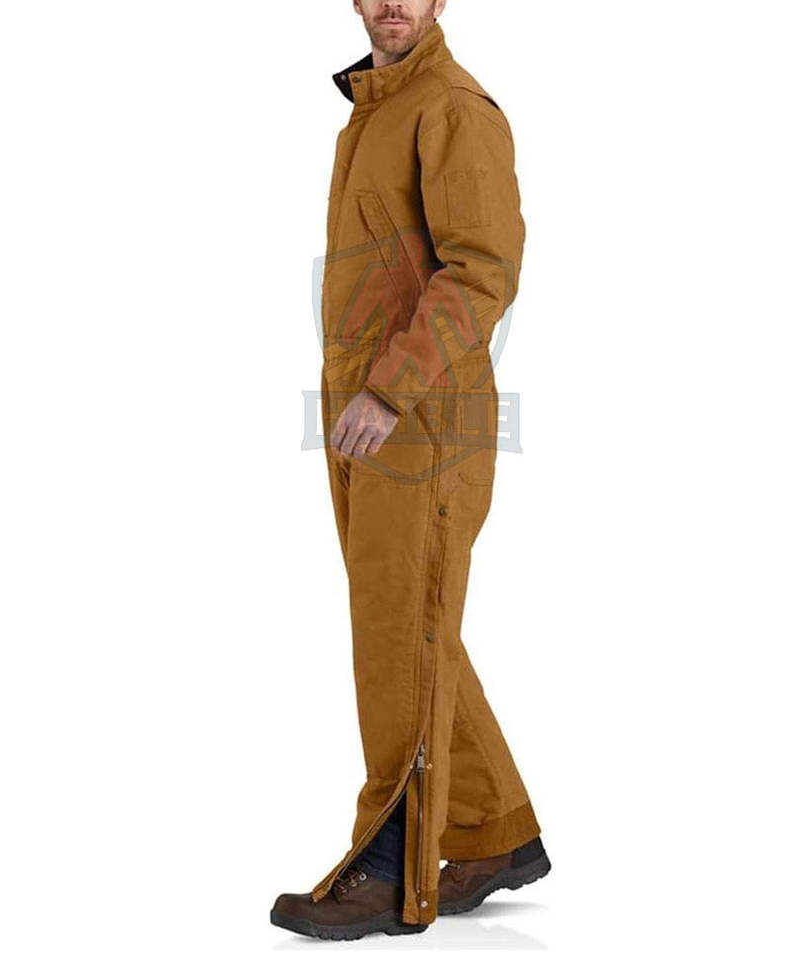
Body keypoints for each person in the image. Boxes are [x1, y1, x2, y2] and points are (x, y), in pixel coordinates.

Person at [270, 1, 549, 940]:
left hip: (419, 414)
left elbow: (482, 270)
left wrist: (390, 391)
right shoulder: (378, 107)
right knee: (417, 627)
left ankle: (393, 869)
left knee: (399, 637)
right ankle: (491, 831)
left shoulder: (452, 107)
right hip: (371, 409)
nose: (393, 2)